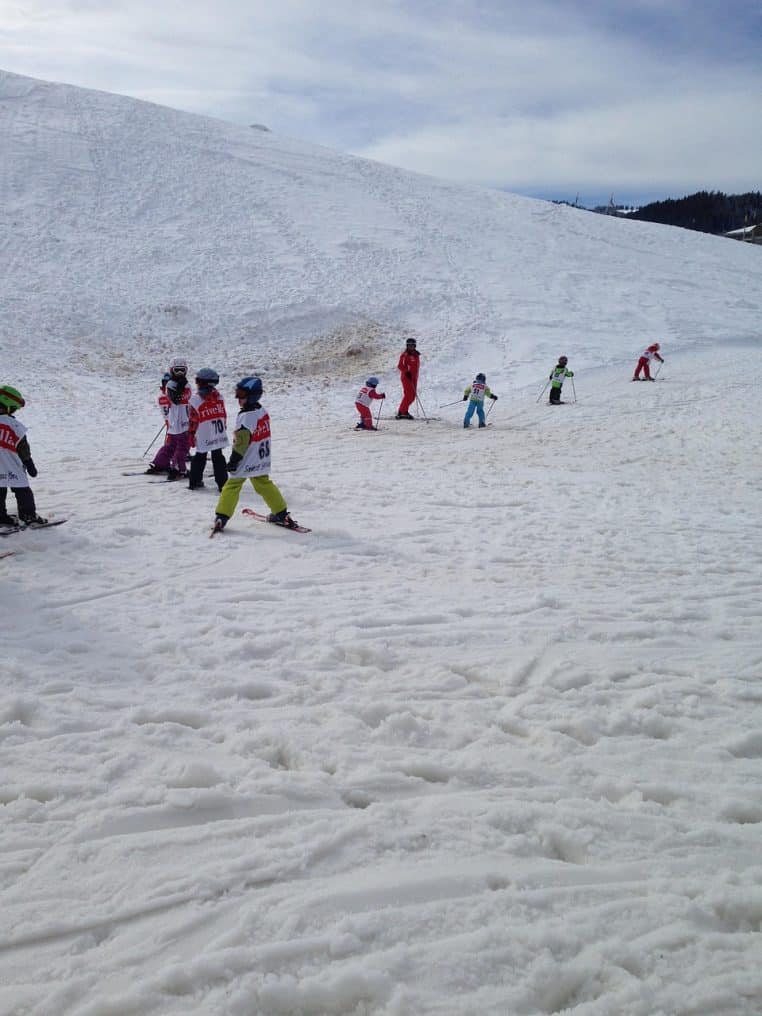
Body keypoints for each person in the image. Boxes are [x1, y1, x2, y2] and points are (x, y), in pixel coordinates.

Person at [212, 377, 299, 533]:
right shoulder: (261, 410)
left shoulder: (246, 416)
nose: (238, 398)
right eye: (237, 393)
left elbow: (242, 441)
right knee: (264, 484)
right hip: (261, 457)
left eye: (242, 394)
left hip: (246, 458)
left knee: (232, 486)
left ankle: (222, 517)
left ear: (252, 396)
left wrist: (234, 460)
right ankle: (281, 513)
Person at [0, 384, 47, 527]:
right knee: (23, 490)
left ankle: (1, 517)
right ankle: (28, 516)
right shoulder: (14, 425)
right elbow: (23, 448)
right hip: (13, 465)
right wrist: (29, 464)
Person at [188, 368, 228, 490]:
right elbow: (223, 415)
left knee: (199, 457)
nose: (197, 384)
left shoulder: (195, 400)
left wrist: (191, 434)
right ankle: (223, 484)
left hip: (204, 434)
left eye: (198, 381)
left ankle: (195, 482)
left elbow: (193, 421)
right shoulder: (219, 397)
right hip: (218, 434)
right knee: (218, 457)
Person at [163, 358, 192, 480]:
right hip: (176, 421)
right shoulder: (170, 385)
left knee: (181, 447)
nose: (180, 373)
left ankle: (181, 469)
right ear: (172, 370)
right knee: (180, 447)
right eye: (177, 370)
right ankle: (175, 469)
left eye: (182, 371)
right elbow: (175, 400)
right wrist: (180, 386)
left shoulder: (187, 384)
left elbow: (188, 399)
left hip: (185, 419)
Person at [145, 372, 173, 474]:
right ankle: (160, 463)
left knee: (172, 444)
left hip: (171, 422)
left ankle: (162, 462)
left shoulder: (163, 396)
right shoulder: (166, 396)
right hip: (173, 423)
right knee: (172, 444)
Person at [396, 337, 420, 419]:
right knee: (408, 395)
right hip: (407, 377)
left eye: (412, 345)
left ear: (415, 346)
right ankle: (402, 412)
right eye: (409, 346)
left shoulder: (416, 355)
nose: (411, 347)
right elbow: (400, 365)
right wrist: (406, 372)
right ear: (407, 346)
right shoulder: (405, 355)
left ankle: (404, 410)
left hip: (414, 378)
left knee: (413, 396)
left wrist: (414, 376)